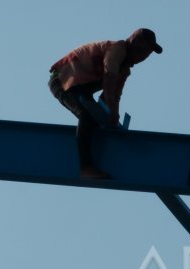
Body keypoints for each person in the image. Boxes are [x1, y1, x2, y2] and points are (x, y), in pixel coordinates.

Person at [48, 28, 163, 179]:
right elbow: (109, 76)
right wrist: (112, 111)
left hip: (80, 87)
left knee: (96, 120)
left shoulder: (125, 69)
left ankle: (91, 159)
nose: (144, 57)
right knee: (87, 116)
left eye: (147, 54)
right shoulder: (117, 49)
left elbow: (114, 95)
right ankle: (86, 168)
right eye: (144, 51)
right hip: (63, 80)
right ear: (135, 44)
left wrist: (113, 116)